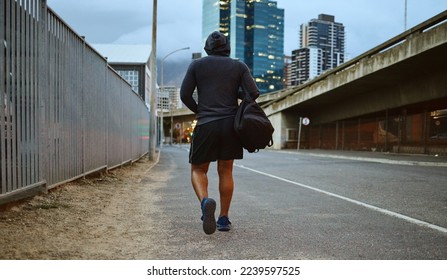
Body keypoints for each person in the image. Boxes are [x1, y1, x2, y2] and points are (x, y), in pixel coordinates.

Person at [180, 31, 259, 234]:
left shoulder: (197, 65)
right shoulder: (239, 66)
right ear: (227, 47)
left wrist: (199, 110)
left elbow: (184, 95)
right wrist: (236, 93)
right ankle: (223, 219)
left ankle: (205, 202)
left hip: (206, 123)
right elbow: (253, 93)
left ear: (207, 48)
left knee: (198, 169)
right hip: (230, 126)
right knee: (226, 171)